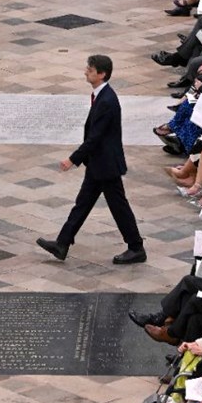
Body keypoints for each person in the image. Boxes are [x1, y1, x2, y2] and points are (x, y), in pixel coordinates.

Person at [37, 54, 146, 265]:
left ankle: (136, 247)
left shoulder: (107, 100)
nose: (86, 71)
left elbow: (95, 137)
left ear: (102, 74)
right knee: (83, 204)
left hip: (106, 165)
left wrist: (73, 159)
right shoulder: (101, 96)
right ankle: (62, 243)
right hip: (99, 163)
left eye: (90, 69)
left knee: (118, 207)